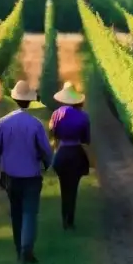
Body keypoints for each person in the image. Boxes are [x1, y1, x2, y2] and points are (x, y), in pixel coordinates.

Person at [0, 80, 53, 264]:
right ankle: (27, 250)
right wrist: (47, 165)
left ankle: (19, 249)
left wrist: (0, 169)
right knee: (30, 213)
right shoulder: (36, 125)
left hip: (10, 176)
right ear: (29, 101)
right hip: (31, 177)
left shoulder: (2, 123)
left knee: (16, 212)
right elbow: (46, 150)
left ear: (14, 99)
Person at [49, 82, 91, 230]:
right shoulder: (83, 116)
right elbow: (86, 140)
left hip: (62, 153)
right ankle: (70, 219)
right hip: (76, 154)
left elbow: (53, 133)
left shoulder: (56, 114)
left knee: (63, 187)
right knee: (73, 188)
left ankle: (64, 219)